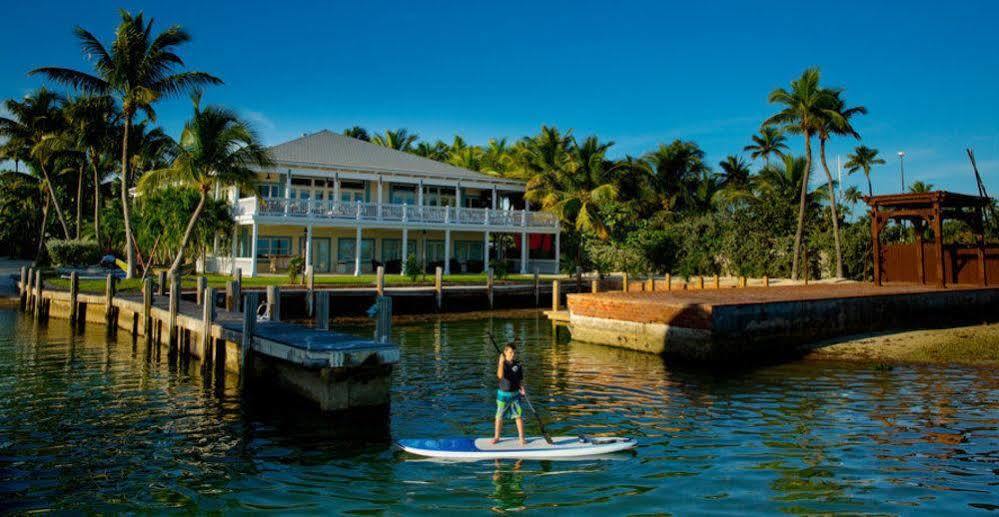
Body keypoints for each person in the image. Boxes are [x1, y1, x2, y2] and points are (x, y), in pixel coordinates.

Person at [492, 343, 526, 444]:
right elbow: (499, 376)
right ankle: (497, 437)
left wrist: (521, 388)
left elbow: (519, 379)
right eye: (510, 352)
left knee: (518, 416)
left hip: (515, 395)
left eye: (514, 353)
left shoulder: (518, 365)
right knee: (499, 416)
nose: (512, 354)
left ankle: (521, 437)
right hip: (503, 395)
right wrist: (501, 363)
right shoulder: (502, 364)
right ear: (505, 352)